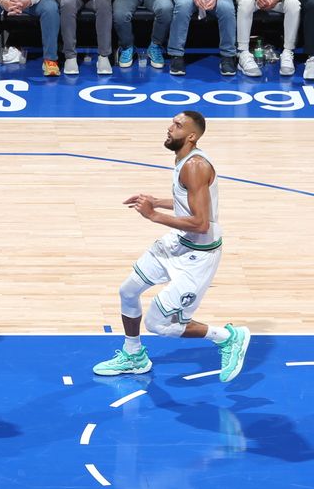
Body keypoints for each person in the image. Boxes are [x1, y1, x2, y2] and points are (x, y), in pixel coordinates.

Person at [92, 111, 251, 384]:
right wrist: (157, 201)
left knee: (159, 324)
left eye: (178, 126)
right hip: (178, 242)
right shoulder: (184, 160)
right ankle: (134, 356)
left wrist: (153, 215)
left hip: (198, 256)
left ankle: (228, 338)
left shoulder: (196, 166)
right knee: (128, 290)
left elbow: (201, 223)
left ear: (192, 136)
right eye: (172, 122)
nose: (170, 128)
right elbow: (188, 201)